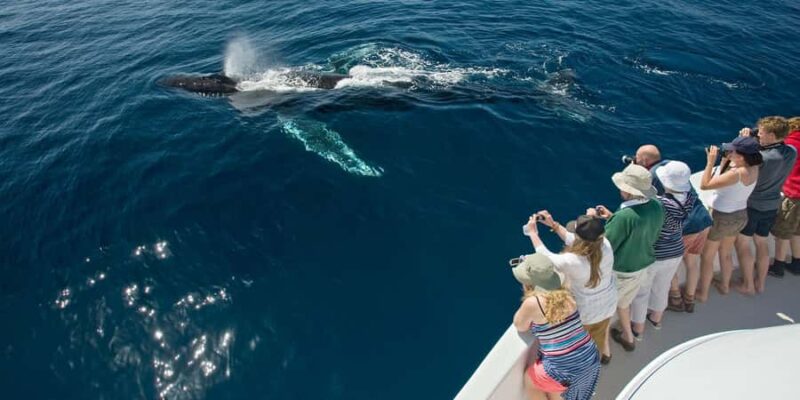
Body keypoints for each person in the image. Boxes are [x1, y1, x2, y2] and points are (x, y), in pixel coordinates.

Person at [589, 164, 664, 352]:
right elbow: (638, 228)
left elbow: (605, 247)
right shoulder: (657, 205)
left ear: (629, 191)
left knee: (606, 310)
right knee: (624, 304)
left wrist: (592, 220)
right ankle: (628, 337)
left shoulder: (624, 217)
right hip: (642, 264)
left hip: (621, 271)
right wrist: (612, 218)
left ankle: (604, 351)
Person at [526, 211, 617, 365]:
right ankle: (603, 357)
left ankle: (586, 369)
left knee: (581, 348)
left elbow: (545, 256)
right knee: (599, 337)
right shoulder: (605, 245)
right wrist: (553, 225)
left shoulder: (572, 261)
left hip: (586, 314)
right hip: (608, 305)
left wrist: (533, 233)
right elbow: (578, 240)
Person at [512, 251, 601, 400]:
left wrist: (528, 292)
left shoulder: (534, 303)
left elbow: (519, 325)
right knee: (556, 387)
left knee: (530, 379)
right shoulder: (566, 291)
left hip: (564, 368)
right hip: (589, 358)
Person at [734, 116, 795, 295]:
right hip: (772, 204)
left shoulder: (761, 158)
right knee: (761, 242)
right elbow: (772, 153)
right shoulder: (791, 151)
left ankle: (748, 285)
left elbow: (739, 164)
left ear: (771, 135)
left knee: (743, 243)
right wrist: (757, 143)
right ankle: (760, 283)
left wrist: (746, 141)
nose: (758, 134)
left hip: (753, 205)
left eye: (761, 132)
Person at [631, 161, 693, 337]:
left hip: (656, 253)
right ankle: (656, 319)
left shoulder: (659, 203)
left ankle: (638, 328)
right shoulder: (689, 198)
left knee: (642, 292)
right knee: (662, 286)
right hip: (675, 249)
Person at [696, 137, 762, 302]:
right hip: (739, 214)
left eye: (733, 151)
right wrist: (726, 160)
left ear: (742, 156)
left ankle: (702, 294)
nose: (729, 152)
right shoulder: (754, 167)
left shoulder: (736, 174)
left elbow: (705, 185)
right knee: (725, 253)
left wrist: (710, 162)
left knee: (708, 256)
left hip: (722, 216)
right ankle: (725, 286)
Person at [770, 117, 800, 277]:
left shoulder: (790, 143)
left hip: (793, 195)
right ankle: (797, 263)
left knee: (783, 233)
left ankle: (778, 266)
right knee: (797, 231)